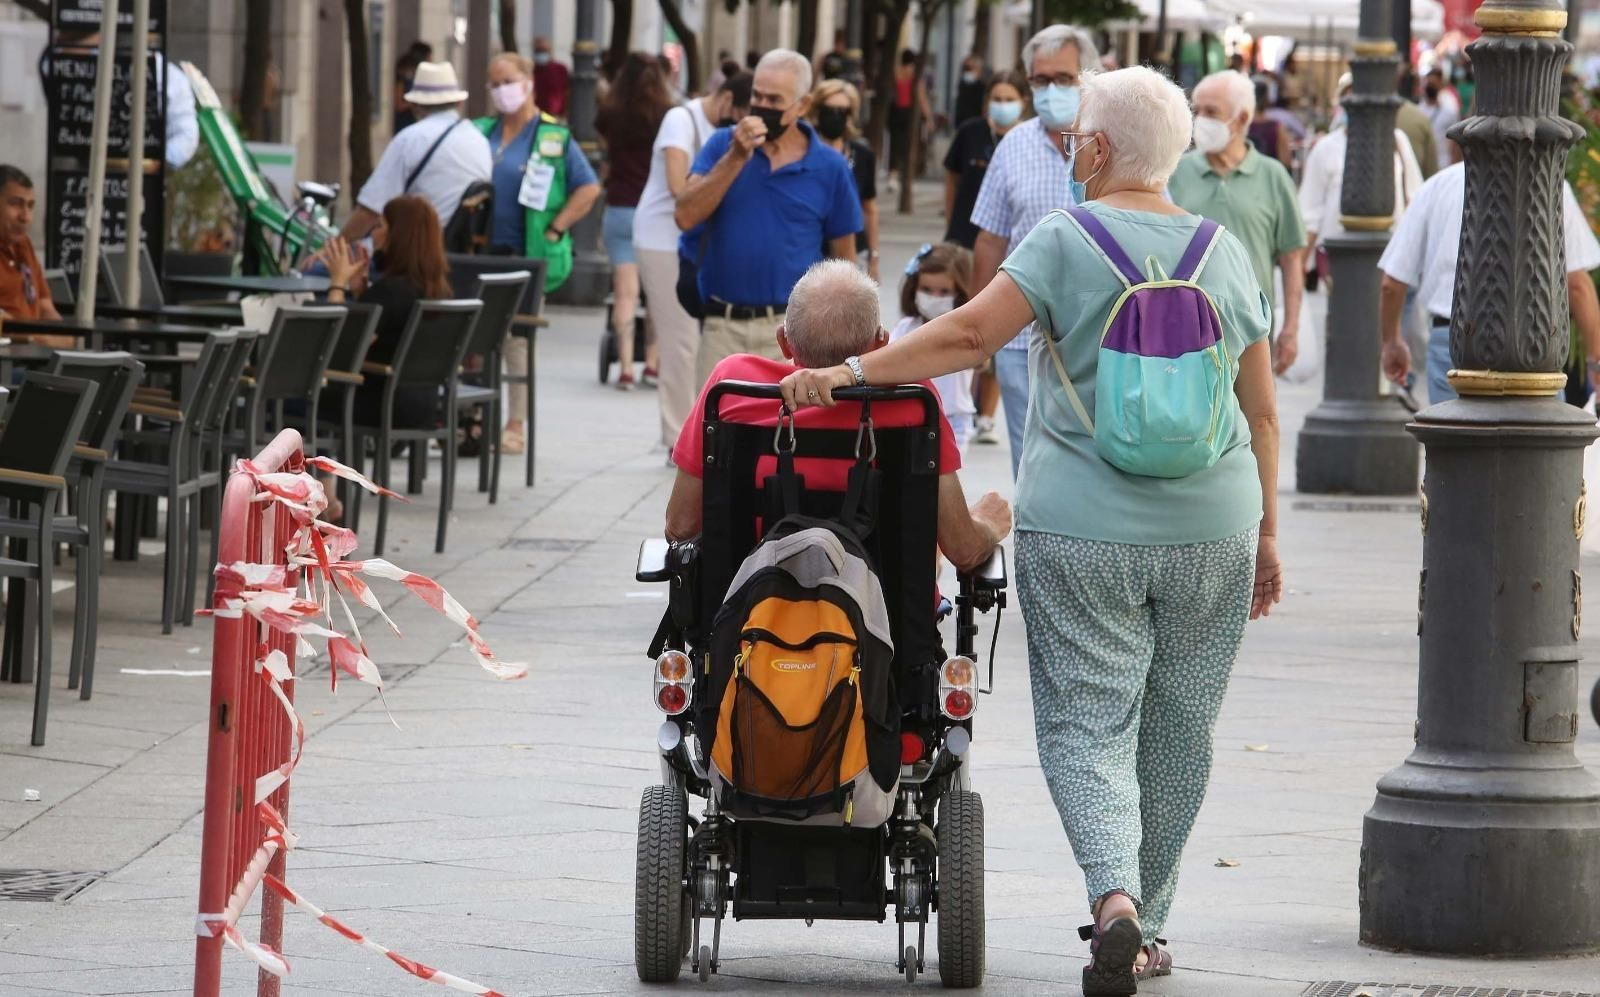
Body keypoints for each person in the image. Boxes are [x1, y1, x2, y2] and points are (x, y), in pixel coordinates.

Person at [778, 67, 1282, 991]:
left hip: (1084, 525)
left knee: (1089, 721)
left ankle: (1114, 902)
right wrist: (1270, 535)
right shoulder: (1225, 252)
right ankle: (1155, 923)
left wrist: (851, 372)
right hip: (1217, 522)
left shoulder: (1064, 239)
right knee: (1181, 728)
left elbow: (967, 338)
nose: (1066, 141)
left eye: (1076, 132)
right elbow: (1261, 411)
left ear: (1097, 149)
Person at [665, 258, 1010, 577]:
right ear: (881, 344)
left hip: (746, 618)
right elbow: (963, 550)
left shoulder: (735, 387)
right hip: (887, 626)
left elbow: (680, 526)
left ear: (784, 342)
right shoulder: (911, 398)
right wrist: (987, 525)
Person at [674, 49, 862, 385]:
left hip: (794, 334)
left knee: (789, 433)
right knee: (717, 433)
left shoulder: (829, 167)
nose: (762, 106)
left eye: (774, 100)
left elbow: (844, 256)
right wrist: (736, 157)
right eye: (757, 96)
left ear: (801, 105)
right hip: (722, 326)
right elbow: (685, 215)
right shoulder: (723, 145)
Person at [969, 24, 1100, 477]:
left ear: (1089, 77)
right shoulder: (1013, 145)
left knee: (1091, 458)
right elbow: (990, 238)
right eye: (1041, 81)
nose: (1051, 90)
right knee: (1029, 461)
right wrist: (977, 328)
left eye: (1063, 79)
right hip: (1020, 334)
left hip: (1097, 333)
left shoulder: (1110, 144)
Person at [1379, 157, 1600, 404]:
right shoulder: (1551, 186)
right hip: (1532, 346)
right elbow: (1577, 285)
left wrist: (1392, 342)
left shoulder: (1436, 187)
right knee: (1537, 440)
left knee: (1456, 439)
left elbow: (1392, 284)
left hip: (1455, 345)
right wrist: (1595, 358)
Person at [473, 52, 600, 451]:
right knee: (473, 337)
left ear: (528, 81)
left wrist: (556, 227)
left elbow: (588, 187)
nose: (501, 91)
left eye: (507, 80)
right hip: (479, 250)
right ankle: (473, 419)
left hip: (526, 253)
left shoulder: (552, 135)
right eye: (493, 84)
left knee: (517, 338)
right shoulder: (482, 130)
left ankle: (515, 425)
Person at [636, 73, 751, 450]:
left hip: (698, 245)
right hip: (662, 240)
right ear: (728, 100)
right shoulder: (680, 120)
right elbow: (678, 187)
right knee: (680, 342)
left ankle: (701, 432)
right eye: (741, 114)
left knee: (699, 342)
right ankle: (678, 439)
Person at [1169, 69, 1306, 376]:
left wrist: (1291, 329)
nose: (1200, 120)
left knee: (1255, 421)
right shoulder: (1176, 172)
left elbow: (1291, 257)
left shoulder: (1273, 176)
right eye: (1197, 110)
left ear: (1242, 119)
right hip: (1182, 336)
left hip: (1251, 334)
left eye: (1211, 112)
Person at [316, 195, 453, 430]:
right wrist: (361, 295)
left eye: (380, 226)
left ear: (397, 235)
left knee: (275, 399)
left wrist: (337, 285)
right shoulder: (439, 291)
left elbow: (339, 353)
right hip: (423, 406)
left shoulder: (389, 291)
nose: (373, 234)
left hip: (373, 404)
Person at [944, 69, 1028, 447]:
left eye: (1012, 98)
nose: (1004, 104)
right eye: (999, 97)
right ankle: (959, 401)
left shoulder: (1025, 142)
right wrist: (951, 221)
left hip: (1011, 251)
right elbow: (952, 177)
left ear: (1022, 103)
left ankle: (986, 415)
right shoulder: (971, 134)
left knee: (1001, 329)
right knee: (965, 321)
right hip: (966, 239)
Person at [340, 61, 492, 246]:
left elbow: (369, 210)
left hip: (413, 254)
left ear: (415, 104)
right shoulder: (480, 141)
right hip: (458, 251)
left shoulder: (409, 139)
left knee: (319, 270)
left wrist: (333, 248)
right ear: (459, 103)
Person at [596, 53, 675, 390]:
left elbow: (607, 158)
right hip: (655, 213)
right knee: (655, 294)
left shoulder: (609, 115)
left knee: (624, 294)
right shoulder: (666, 117)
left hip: (619, 208)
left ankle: (626, 367)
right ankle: (652, 365)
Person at [1299, 76, 1424, 272]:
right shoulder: (1325, 149)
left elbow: (1415, 197)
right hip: (1339, 262)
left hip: (1392, 259)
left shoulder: (1398, 141)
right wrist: (1301, 267)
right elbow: (1310, 213)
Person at [893, 244, 977, 451]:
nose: (935, 297)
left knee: (948, 480)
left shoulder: (966, 329)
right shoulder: (906, 327)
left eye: (944, 291)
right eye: (927, 290)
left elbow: (982, 359)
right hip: (913, 414)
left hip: (953, 418)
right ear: (914, 287)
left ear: (960, 291)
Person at [807, 79, 880, 282]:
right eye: (829, 110)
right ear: (816, 110)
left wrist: (874, 257)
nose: (835, 117)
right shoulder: (803, 154)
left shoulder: (863, 155)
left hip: (855, 250)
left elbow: (869, 208)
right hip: (813, 252)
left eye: (843, 111)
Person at [0, 166, 72, 347]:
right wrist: (38, 339)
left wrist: (66, 336)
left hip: (34, 354)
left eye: (30, 206)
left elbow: (45, 306)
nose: (25, 216)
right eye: (16, 203)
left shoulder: (24, 245)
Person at [1421, 68, 1460, 173]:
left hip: (1443, 164)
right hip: (1424, 164)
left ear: (1440, 84)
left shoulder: (1449, 107)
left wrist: (1453, 162)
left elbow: (1455, 140)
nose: (1430, 86)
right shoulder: (1419, 109)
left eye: (1433, 83)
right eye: (1428, 83)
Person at [392, 42, 433, 134]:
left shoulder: (415, 76)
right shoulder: (403, 76)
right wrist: (414, 102)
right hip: (404, 123)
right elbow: (399, 105)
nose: (431, 61)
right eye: (429, 58)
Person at [533, 37, 571, 119]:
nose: (541, 53)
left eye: (544, 51)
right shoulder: (531, 70)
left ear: (550, 51)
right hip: (535, 115)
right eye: (538, 50)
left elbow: (567, 91)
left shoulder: (560, 69)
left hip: (557, 115)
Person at [953, 54, 988, 127]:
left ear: (979, 70)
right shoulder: (962, 85)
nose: (967, 72)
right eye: (965, 69)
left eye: (970, 69)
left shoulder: (983, 88)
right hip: (961, 125)